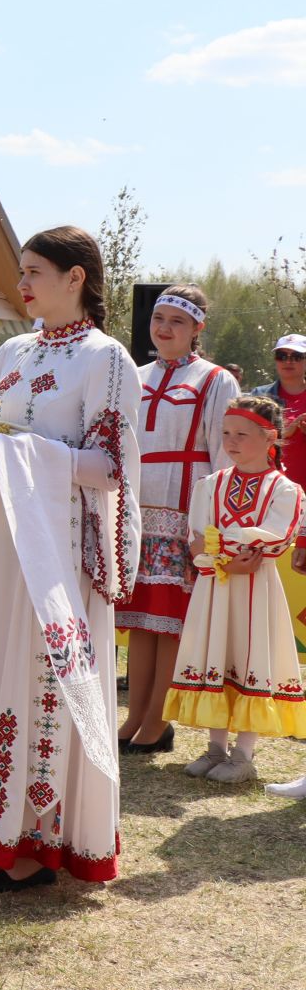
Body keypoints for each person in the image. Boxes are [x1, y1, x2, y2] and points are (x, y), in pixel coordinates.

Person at [0, 225, 139, 891]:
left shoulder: (107, 361)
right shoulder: (13, 351)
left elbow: (109, 469)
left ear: (76, 278)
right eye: (22, 269)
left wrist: (18, 452)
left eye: (35, 271)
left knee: (31, 679)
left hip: (52, 550)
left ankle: (30, 848)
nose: (23, 282)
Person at [114, 286, 237, 753]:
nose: (164, 328)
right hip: (138, 507)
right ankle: (135, 716)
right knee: (141, 618)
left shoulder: (215, 380)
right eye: (158, 318)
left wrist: (212, 524)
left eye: (177, 321)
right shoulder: (134, 375)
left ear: (197, 328)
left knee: (169, 621)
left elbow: (223, 452)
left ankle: (159, 721)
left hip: (185, 506)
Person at [159, 396, 302, 785]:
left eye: (242, 434)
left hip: (255, 589)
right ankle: (215, 749)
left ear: (270, 437)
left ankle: (243, 755)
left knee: (249, 653)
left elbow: (273, 539)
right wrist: (219, 556)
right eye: (225, 433)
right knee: (216, 654)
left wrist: (219, 551)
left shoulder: (283, 489)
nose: (231, 441)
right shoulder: (211, 485)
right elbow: (195, 538)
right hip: (215, 587)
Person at [248, 334, 306, 487]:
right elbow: (245, 438)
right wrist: (282, 433)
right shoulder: (259, 397)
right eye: (281, 356)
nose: (288, 361)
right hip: (268, 488)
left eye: (296, 356)